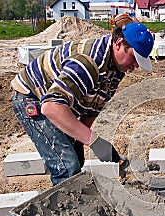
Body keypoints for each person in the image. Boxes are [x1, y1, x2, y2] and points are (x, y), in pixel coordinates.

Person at [10, 21, 154, 185]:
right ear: (119, 43)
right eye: (134, 58)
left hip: (60, 102)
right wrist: (94, 141)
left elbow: (94, 107)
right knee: (67, 166)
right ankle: (65, 209)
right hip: (32, 97)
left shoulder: (117, 69)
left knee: (76, 157)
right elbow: (51, 106)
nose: (135, 65)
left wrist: (81, 140)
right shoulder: (88, 62)